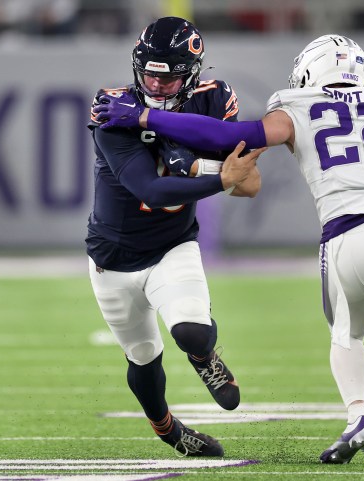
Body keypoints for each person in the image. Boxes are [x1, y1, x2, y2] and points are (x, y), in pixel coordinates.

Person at [93, 34, 364, 465]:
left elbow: (230, 138)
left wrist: (147, 119)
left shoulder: (295, 109)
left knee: (348, 334)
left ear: (307, 72)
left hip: (347, 242)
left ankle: (358, 417)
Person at [86, 16, 265, 457]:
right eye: (149, 76)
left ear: (192, 75)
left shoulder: (213, 98)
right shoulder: (112, 106)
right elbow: (150, 187)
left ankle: (206, 359)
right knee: (144, 356)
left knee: (192, 331)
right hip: (112, 258)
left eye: (168, 80)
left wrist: (211, 170)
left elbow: (250, 183)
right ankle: (168, 429)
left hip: (172, 245)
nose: (156, 86)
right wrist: (217, 177)